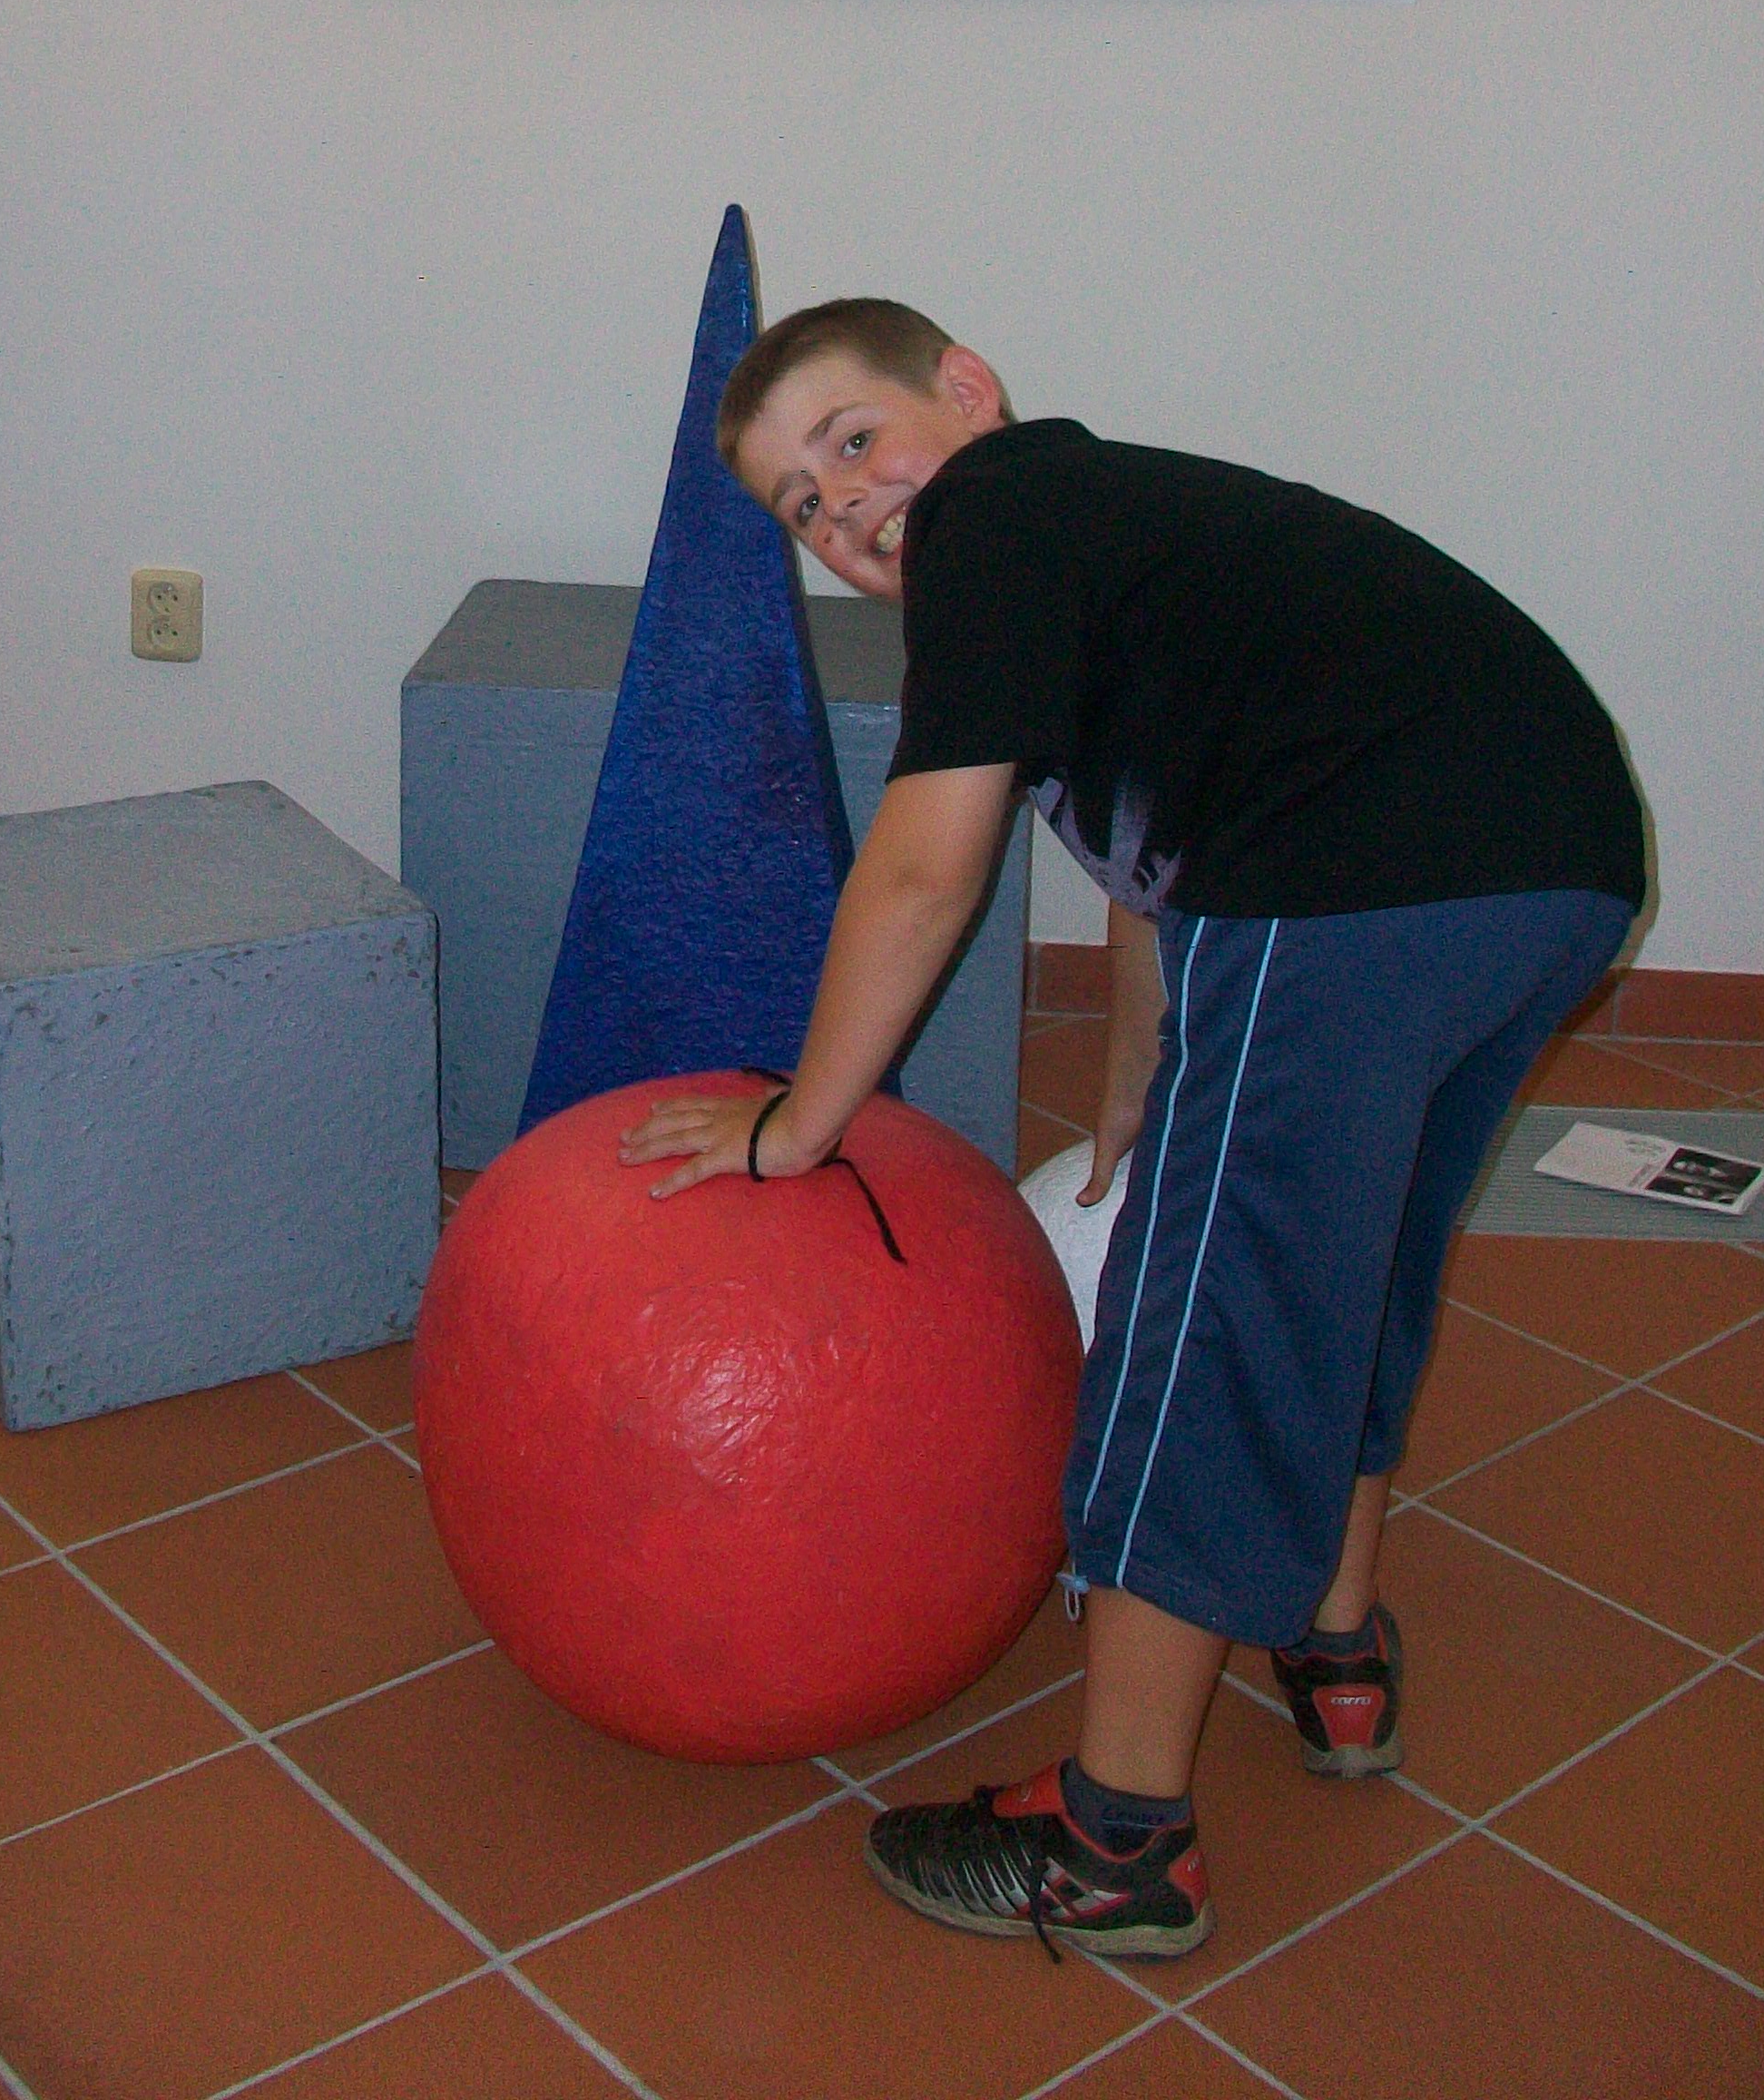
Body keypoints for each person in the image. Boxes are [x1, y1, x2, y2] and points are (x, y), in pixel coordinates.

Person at [620, 299, 1644, 1962]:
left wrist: (798, 1125)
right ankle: (1331, 1643)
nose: (846, 504)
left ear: (967, 392)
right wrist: (1130, 1084)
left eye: (854, 440)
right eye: (802, 505)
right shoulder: (1107, 537)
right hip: (1555, 867)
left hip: (1361, 874)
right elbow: (1156, 855)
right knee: (1354, 1258)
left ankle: (1119, 1841)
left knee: (1205, 1326)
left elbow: (921, 869)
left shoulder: (994, 515)